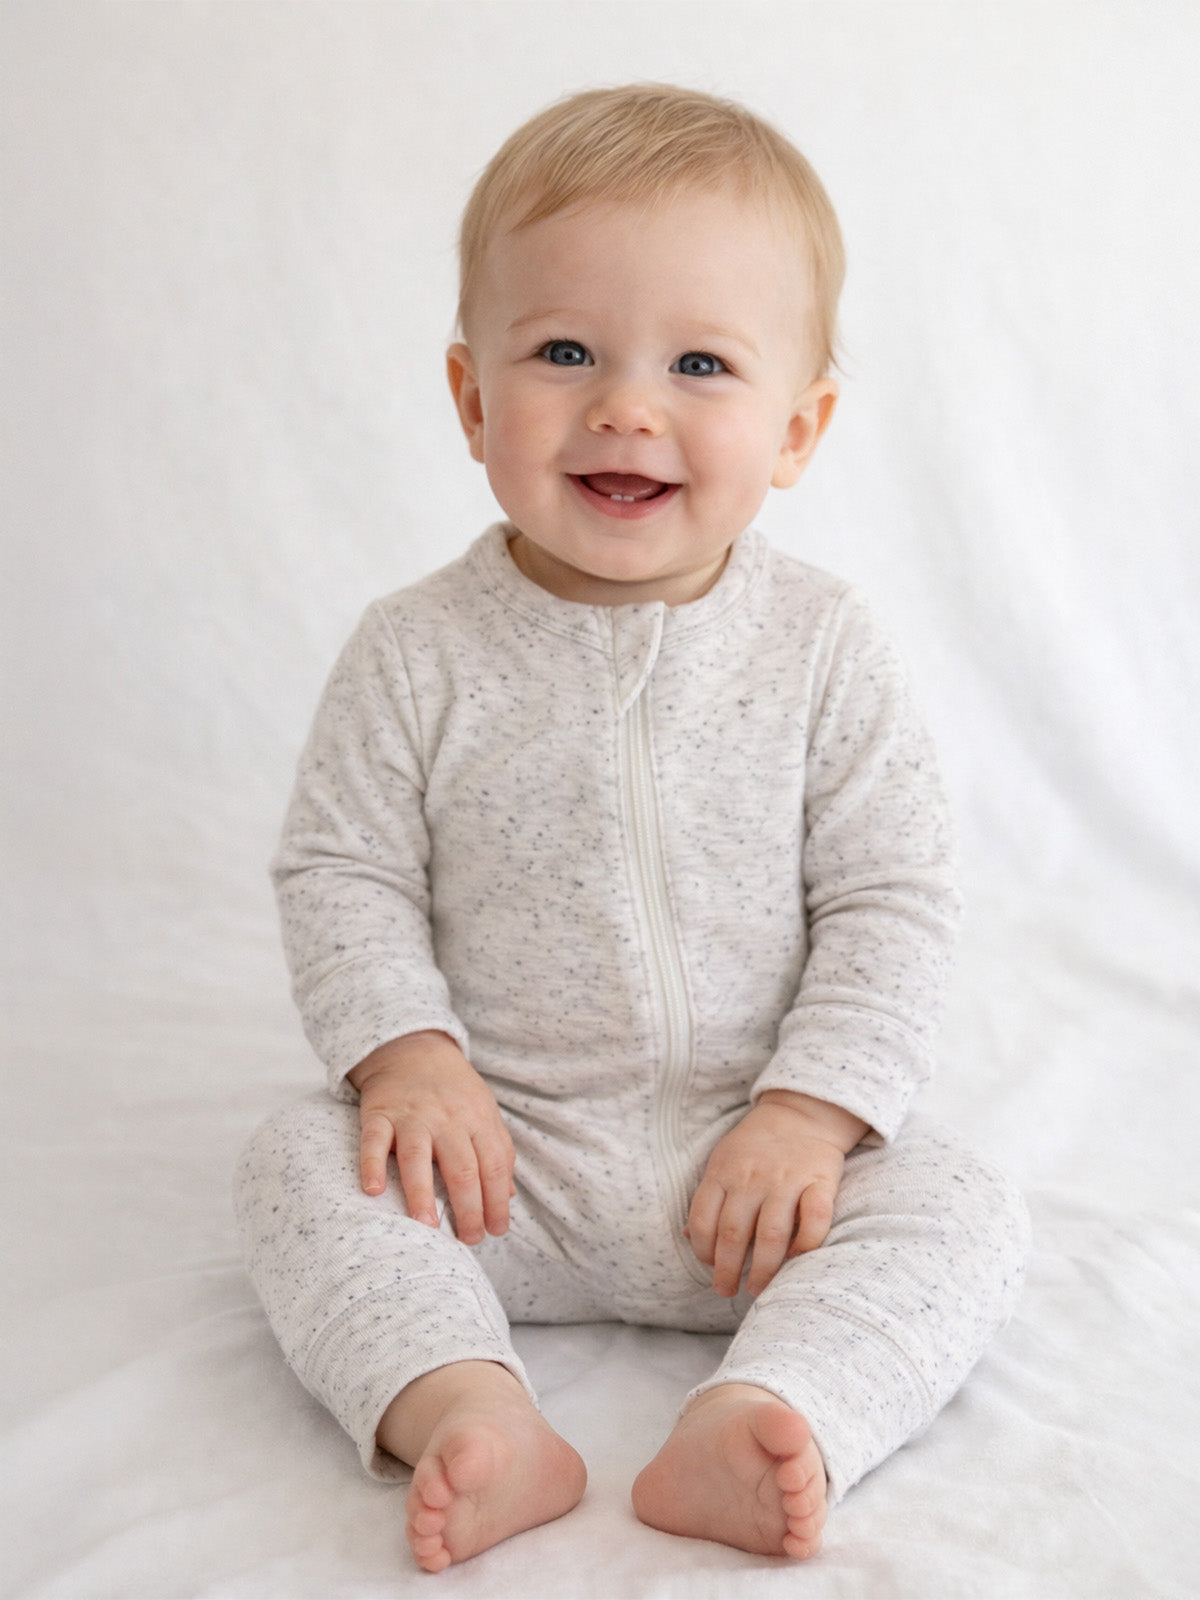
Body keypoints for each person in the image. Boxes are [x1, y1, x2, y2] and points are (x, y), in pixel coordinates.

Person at [234, 83, 1028, 1574]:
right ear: (474, 401)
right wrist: (410, 1059)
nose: (626, 406)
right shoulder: (417, 651)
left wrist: (814, 1111)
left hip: (763, 1178)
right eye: (564, 353)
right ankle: (468, 1405)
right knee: (291, 1161)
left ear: (797, 431)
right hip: (497, 1164)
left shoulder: (826, 651)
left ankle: (774, 1407)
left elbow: (892, 901)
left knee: (964, 1205)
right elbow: (343, 873)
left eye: (701, 364)